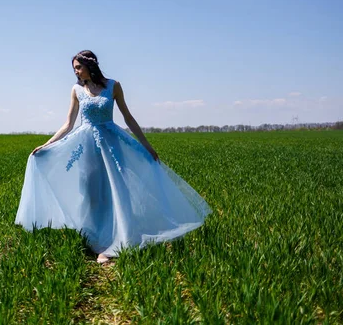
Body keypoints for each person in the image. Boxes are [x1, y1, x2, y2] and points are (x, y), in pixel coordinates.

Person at [15, 50, 212, 264]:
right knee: (91, 193)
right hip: (87, 146)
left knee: (115, 193)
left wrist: (147, 146)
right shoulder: (76, 90)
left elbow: (128, 117)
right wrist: (47, 144)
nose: (76, 72)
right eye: (74, 69)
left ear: (90, 65)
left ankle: (113, 243)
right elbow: (69, 124)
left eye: (78, 67)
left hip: (113, 145)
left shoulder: (113, 86)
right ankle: (94, 238)